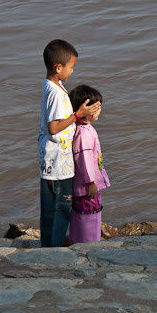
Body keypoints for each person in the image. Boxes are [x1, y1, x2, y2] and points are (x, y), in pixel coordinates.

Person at [38, 39, 101, 247]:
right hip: (57, 165)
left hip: (54, 161)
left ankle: (49, 244)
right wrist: (78, 114)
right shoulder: (56, 93)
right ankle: (53, 249)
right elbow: (54, 127)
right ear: (58, 67)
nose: (72, 71)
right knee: (60, 207)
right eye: (71, 67)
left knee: (52, 209)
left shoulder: (53, 86)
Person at [68, 85, 110, 243]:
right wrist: (90, 182)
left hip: (87, 186)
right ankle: (88, 244)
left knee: (88, 216)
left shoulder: (84, 129)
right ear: (88, 109)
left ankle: (82, 242)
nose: (101, 109)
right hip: (86, 187)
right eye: (98, 106)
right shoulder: (84, 134)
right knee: (88, 218)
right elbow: (84, 160)